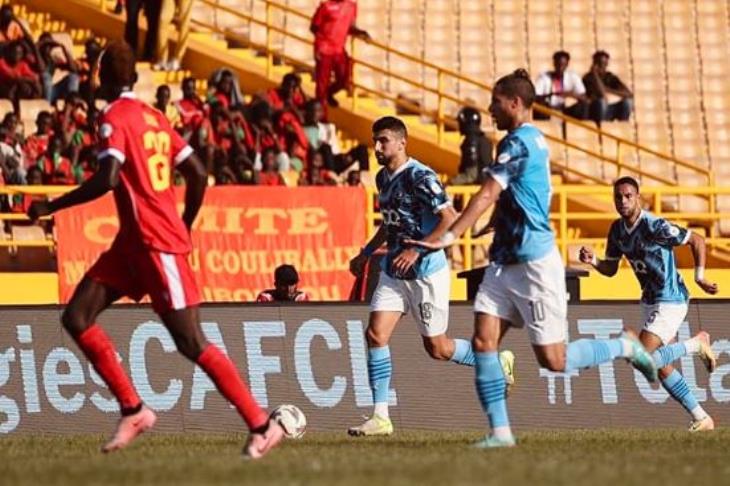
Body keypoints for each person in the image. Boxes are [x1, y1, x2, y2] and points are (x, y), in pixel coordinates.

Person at [26, 40, 285, 458]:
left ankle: (261, 423)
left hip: (156, 243)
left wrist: (50, 205)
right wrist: (184, 223)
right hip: (135, 243)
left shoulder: (113, 116)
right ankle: (134, 408)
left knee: (190, 340)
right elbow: (198, 173)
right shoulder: (154, 117)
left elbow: (108, 177)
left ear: (103, 76)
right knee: (77, 316)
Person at [407, 69, 657, 448]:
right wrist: (495, 225)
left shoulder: (520, 143)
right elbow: (512, 195)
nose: (490, 109)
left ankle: (625, 346)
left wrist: (451, 235)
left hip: (535, 262)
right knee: (483, 341)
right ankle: (501, 433)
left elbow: (489, 192)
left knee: (554, 361)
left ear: (515, 103)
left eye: (494, 102)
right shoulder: (521, 141)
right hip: (504, 261)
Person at [346, 116, 515, 437]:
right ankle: (380, 417)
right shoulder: (383, 178)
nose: (377, 146)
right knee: (375, 335)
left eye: (383, 140)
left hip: (426, 272)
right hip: (395, 271)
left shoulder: (421, 177)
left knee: (437, 348)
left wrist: (418, 251)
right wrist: (366, 253)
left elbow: (450, 218)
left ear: (401, 142)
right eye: (375, 140)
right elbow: (391, 222)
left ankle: (497, 361)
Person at [579, 177, 718, 432]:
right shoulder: (617, 231)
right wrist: (594, 261)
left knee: (643, 357)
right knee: (661, 367)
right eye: (618, 197)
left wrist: (699, 276)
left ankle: (697, 343)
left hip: (671, 299)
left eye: (628, 196)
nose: (623, 201)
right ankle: (701, 417)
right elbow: (611, 269)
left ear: (638, 197)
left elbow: (697, 239)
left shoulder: (655, 226)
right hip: (650, 301)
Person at [310, 0, 370, 114]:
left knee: (344, 79)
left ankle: (329, 93)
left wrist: (361, 32)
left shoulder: (351, 6)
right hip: (324, 50)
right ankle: (322, 117)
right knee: (321, 86)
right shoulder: (326, 7)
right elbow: (314, 27)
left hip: (339, 50)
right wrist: (319, 44)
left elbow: (350, 27)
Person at [534, 50, 588, 120]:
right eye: (558, 64)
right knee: (540, 107)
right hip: (548, 109)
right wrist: (553, 94)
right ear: (554, 63)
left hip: (567, 109)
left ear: (567, 64)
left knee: (583, 106)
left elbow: (584, 97)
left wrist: (570, 94)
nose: (560, 68)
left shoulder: (573, 76)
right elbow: (536, 96)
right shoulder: (544, 77)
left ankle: (581, 128)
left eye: (563, 65)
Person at [583, 50, 633, 123]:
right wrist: (595, 74)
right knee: (602, 102)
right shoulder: (588, 78)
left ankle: (623, 126)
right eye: (600, 64)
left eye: (605, 64)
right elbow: (602, 94)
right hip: (596, 110)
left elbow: (629, 94)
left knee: (627, 102)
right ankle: (602, 126)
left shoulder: (610, 77)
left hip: (610, 108)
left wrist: (609, 90)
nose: (603, 66)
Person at [448, 106, 493, 185]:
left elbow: (471, 175)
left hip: (476, 188)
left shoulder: (471, 142)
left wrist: (449, 182)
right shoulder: (484, 139)